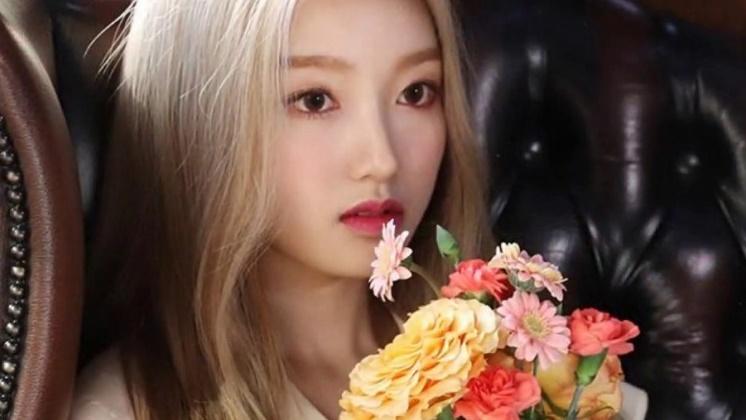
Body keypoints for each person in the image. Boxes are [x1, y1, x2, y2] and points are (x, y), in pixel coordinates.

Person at [70, 0, 495, 418]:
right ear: (201, 121)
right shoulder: (121, 409)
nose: (382, 159)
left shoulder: (505, 356)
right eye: (314, 100)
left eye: (415, 93)